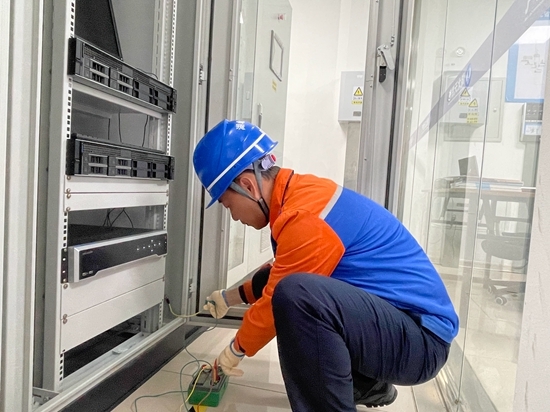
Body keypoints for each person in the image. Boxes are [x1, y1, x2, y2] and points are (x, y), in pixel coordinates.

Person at [192, 119, 459, 411]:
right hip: (402, 328)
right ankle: (366, 386)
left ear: (248, 185)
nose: (233, 216)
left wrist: (234, 351)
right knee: (291, 285)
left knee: (296, 295)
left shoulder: (304, 217)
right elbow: (279, 272)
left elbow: (280, 293)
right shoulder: (299, 195)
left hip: (420, 343)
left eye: (228, 205)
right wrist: (228, 298)